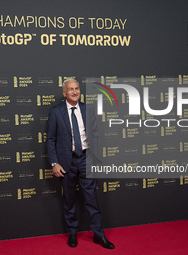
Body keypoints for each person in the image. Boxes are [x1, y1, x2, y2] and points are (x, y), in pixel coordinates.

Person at [46, 79, 114, 249]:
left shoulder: (87, 109)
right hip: (65, 162)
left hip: (85, 160)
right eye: (71, 89)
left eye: (77, 89)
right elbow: (51, 139)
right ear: (64, 93)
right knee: (69, 200)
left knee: (92, 199)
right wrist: (54, 162)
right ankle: (72, 233)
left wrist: (94, 156)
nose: (75, 92)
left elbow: (95, 133)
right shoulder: (55, 112)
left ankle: (99, 235)